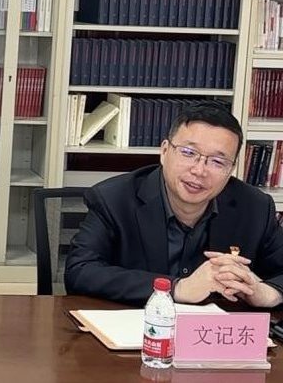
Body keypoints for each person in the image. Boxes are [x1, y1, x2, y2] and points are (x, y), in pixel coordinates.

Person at [65, 101, 283, 307]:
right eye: (189, 153)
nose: (199, 170)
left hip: (214, 330)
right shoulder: (114, 199)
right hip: (137, 326)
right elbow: (80, 271)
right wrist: (177, 288)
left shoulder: (254, 207)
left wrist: (266, 292)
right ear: (164, 151)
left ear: (231, 169)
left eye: (217, 161)